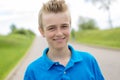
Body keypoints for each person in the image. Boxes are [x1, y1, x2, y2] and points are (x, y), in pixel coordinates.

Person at [24, 0, 104, 80]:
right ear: (42, 31)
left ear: (70, 27)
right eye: (51, 28)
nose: (59, 33)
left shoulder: (89, 61)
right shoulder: (32, 71)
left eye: (64, 26)